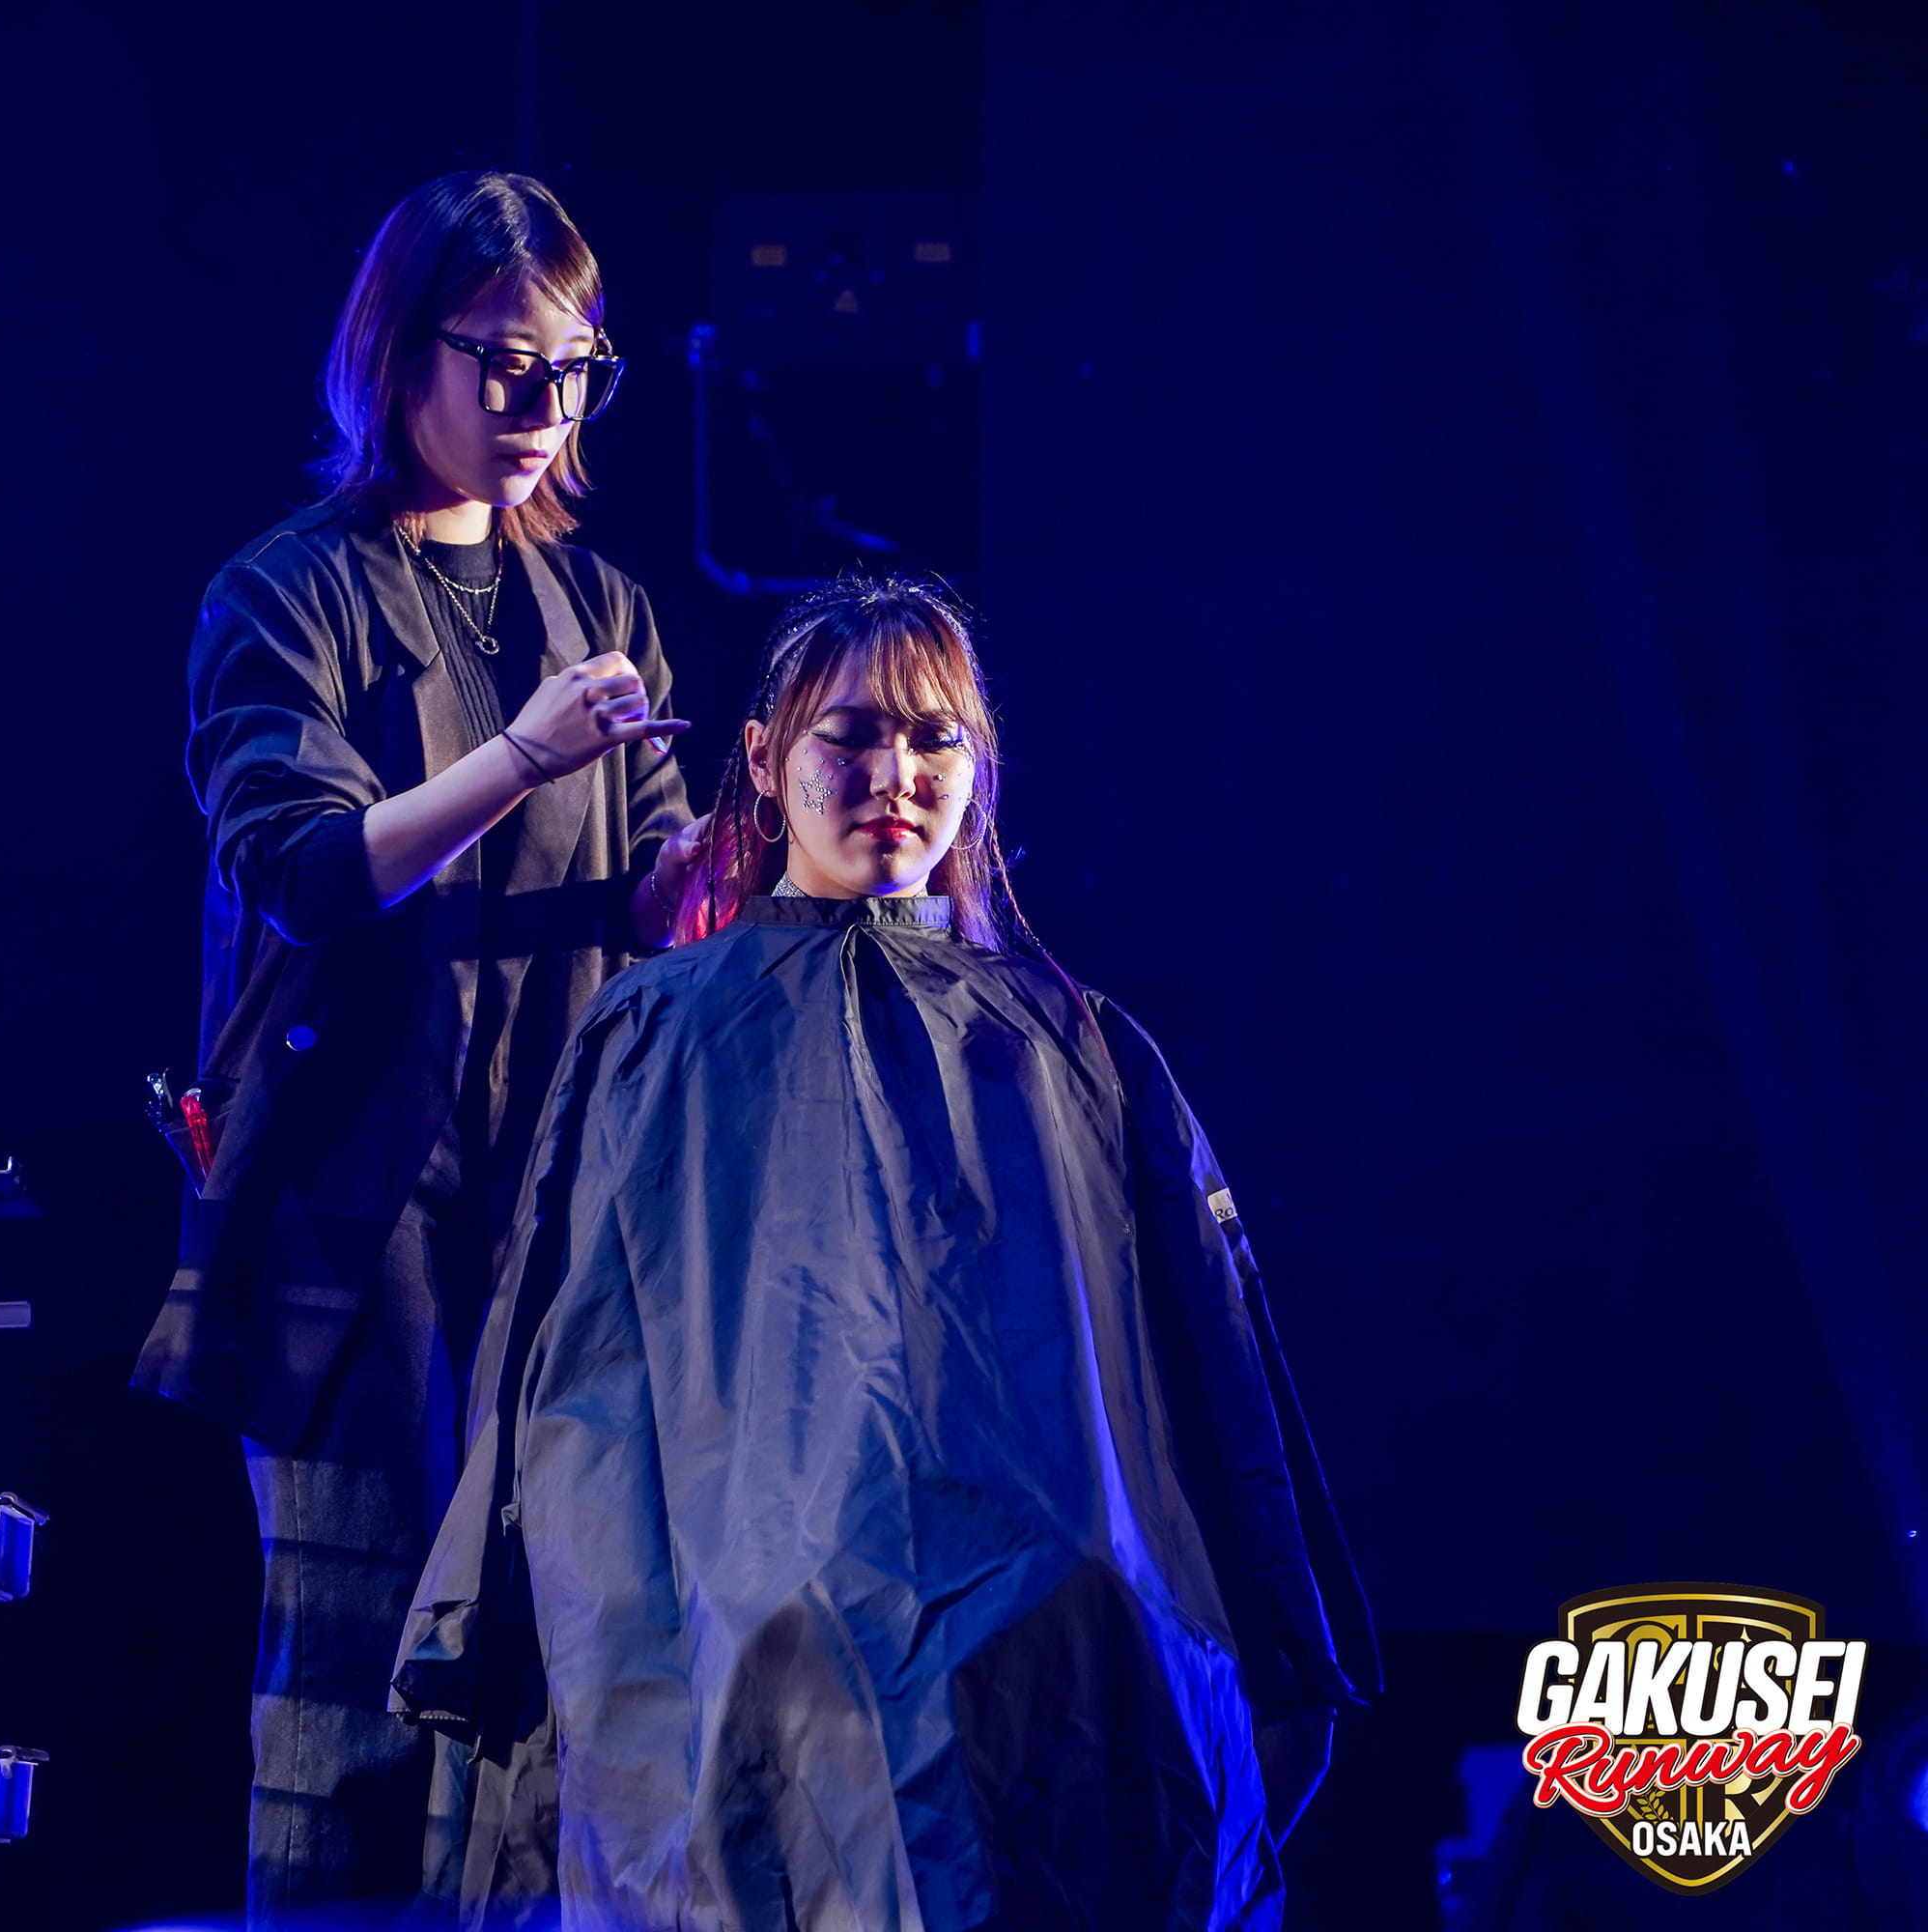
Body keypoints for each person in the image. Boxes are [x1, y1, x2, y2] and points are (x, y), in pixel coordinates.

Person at [395, 577, 1377, 1929]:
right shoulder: (653, 1034)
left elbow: (1207, 1387)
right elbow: (578, 1388)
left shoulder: (1076, 1042)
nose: (895, 777)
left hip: (1061, 1617)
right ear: (763, 759)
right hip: (740, 1602)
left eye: (933, 739)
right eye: (850, 736)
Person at [130, 170, 703, 1926]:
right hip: (352, 1208)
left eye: (575, 369)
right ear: (399, 355)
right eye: (506, 364)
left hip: (553, 1197)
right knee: (361, 1672)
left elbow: (650, 888)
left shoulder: (597, 603)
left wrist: (756, 838)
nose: (543, 407)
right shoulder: (286, 594)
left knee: (547, 1659)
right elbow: (308, 871)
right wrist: (521, 758)